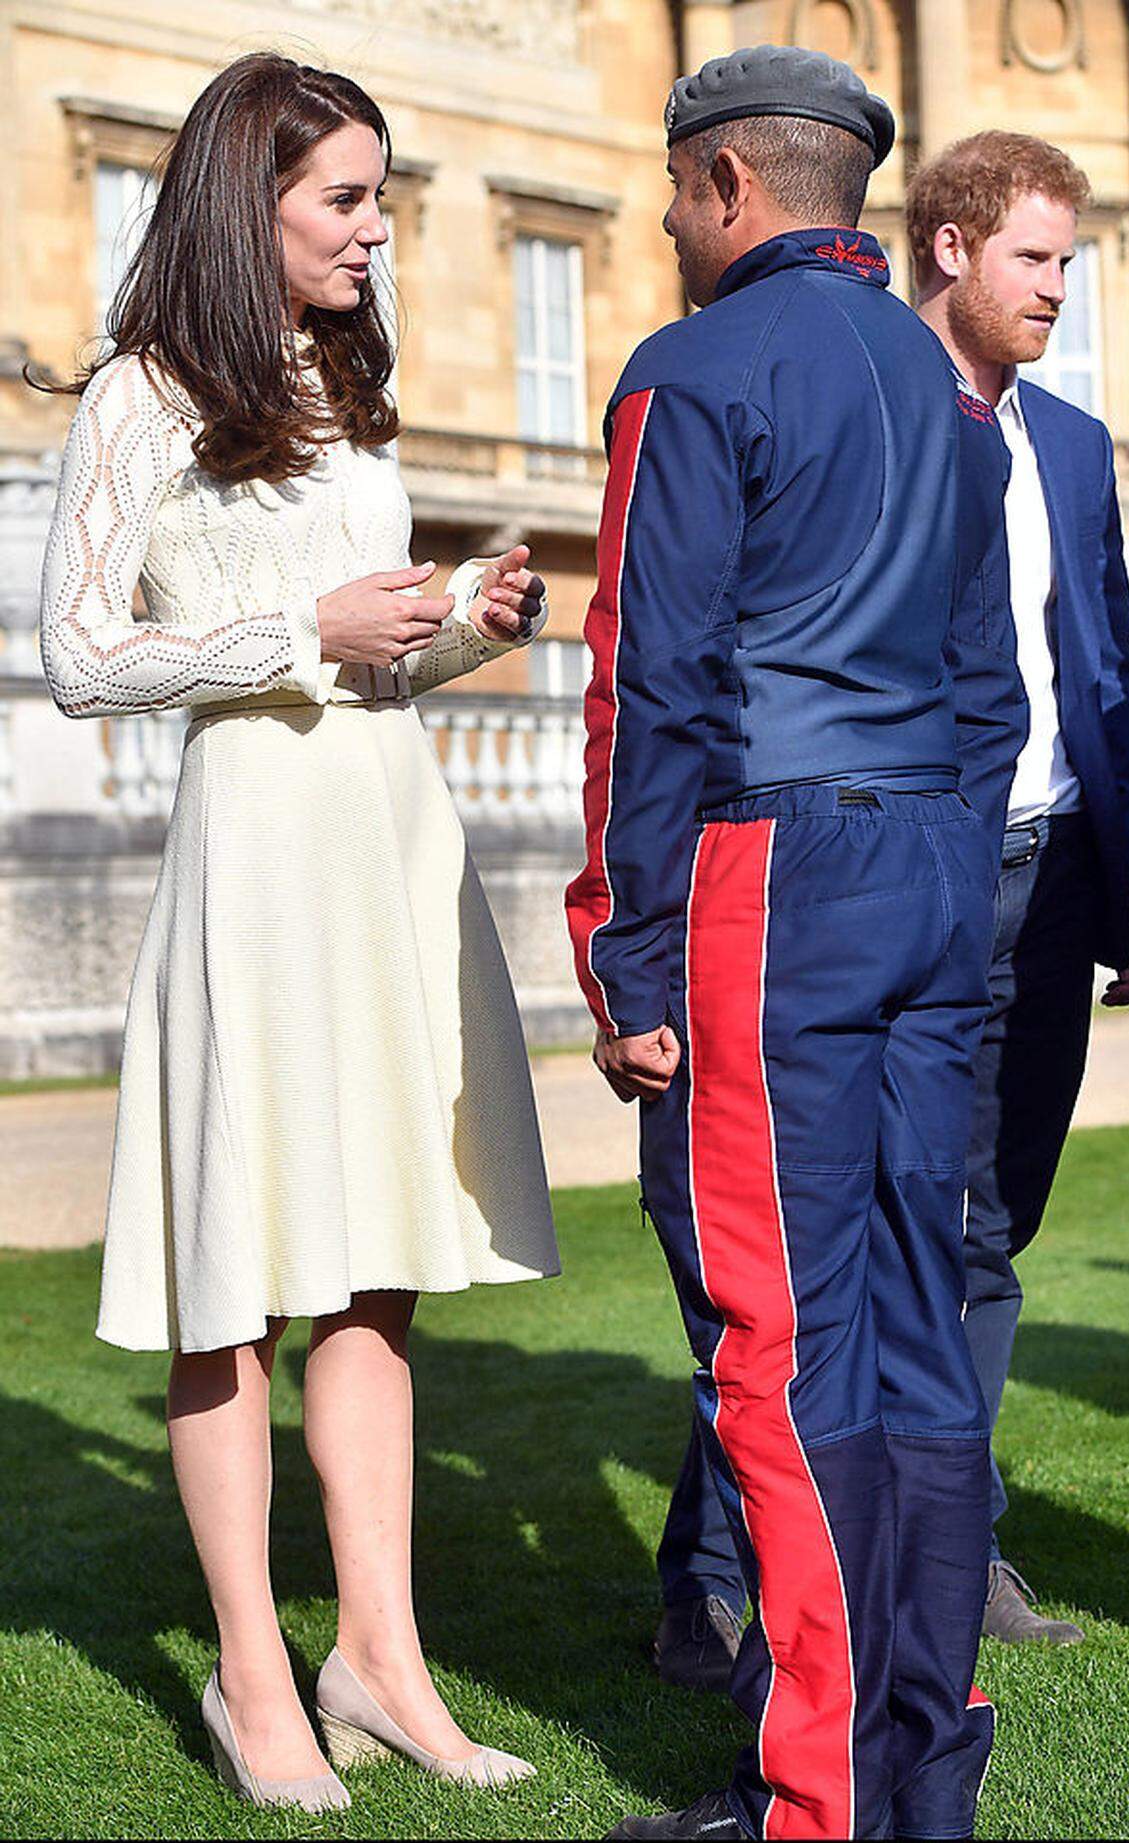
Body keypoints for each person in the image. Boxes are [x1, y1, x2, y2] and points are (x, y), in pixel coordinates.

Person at [37, 52, 559, 1813]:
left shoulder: (347, 383)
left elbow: (372, 656)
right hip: (256, 860)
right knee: (232, 1286)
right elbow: (82, 659)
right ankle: (256, 1687)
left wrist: (465, 629)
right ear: (242, 200)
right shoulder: (136, 396)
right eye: (343, 196)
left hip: (389, 840)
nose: (372, 226)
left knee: (376, 1276)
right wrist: (295, 625)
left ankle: (383, 1664)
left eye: (378, 194)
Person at [567, 45, 1013, 1843]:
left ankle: (823, 1799)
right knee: (914, 1334)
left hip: (777, 880)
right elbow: (993, 690)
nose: (670, 223)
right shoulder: (937, 372)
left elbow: (643, 689)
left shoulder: (692, 366)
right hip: (926, 872)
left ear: (731, 185)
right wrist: (946, 866)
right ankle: (919, 1776)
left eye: (677, 191)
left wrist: (626, 953)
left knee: (783, 1342)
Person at [909, 130, 1129, 1641]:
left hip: (1059, 878)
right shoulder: (879, 415)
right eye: (1036, 259)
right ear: (950, 247)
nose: (1061, 288)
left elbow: (1107, 669)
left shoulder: (1070, 443)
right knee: (865, 1225)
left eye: (1067, 261)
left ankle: (964, 1549)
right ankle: (732, 1569)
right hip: (921, 879)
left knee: (995, 1230)